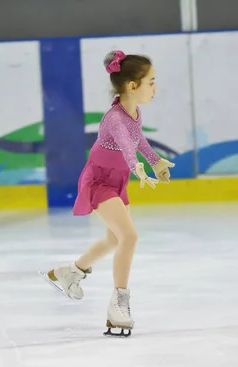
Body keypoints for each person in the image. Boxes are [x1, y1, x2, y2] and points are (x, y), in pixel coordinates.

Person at [45, 50, 175, 336]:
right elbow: (128, 149)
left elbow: (138, 139)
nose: (155, 88)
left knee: (114, 239)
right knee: (129, 236)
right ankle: (119, 303)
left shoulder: (134, 112)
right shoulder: (115, 118)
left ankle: (73, 271)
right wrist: (138, 168)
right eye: (151, 82)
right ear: (132, 86)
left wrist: (154, 161)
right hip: (100, 181)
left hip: (117, 181)